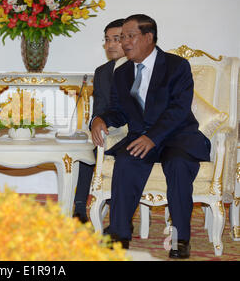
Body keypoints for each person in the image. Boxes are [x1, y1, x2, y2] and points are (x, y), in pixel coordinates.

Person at [91, 14, 210, 259]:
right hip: (140, 137)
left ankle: (180, 239)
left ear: (149, 37)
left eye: (129, 36)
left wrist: (153, 137)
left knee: (178, 165)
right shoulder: (122, 73)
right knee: (126, 161)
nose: (124, 42)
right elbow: (118, 111)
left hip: (177, 136)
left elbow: (178, 110)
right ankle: (119, 234)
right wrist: (100, 119)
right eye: (122, 37)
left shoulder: (177, 66)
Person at [73, 19, 126, 223]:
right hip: (110, 128)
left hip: (134, 130)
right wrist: (96, 121)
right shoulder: (102, 72)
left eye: (116, 39)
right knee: (88, 142)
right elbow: (99, 108)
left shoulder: (141, 68)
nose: (110, 44)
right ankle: (79, 207)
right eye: (107, 40)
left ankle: (119, 210)